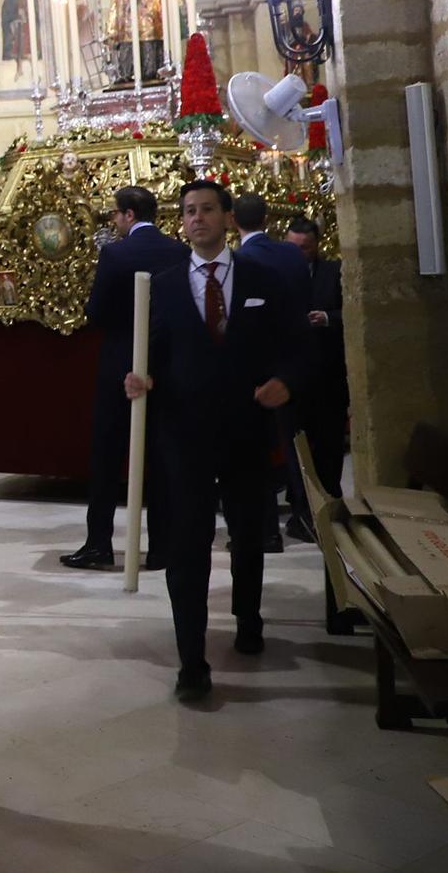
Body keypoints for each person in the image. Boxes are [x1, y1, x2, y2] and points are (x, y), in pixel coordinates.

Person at [124, 182, 306, 702]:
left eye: (207, 210)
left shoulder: (262, 279)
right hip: (184, 435)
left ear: (227, 217)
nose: (197, 219)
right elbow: (143, 353)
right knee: (187, 546)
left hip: (247, 430)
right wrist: (139, 379)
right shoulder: (158, 285)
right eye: (188, 212)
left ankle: (249, 617)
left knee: (250, 534)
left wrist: (286, 381)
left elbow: (296, 343)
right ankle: (191, 659)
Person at [65, 186, 188, 571]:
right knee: (162, 456)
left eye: (116, 215)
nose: (115, 222)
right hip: (164, 367)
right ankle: (163, 548)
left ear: (129, 215)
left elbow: (97, 311)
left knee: (106, 455)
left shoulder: (116, 253)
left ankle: (99, 544)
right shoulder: (179, 251)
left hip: (120, 364)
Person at [233, 192, 312, 550]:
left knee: (258, 452)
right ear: (268, 219)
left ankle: (265, 529)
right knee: (298, 446)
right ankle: (305, 516)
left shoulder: (241, 260)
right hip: (296, 364)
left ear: (233, 220)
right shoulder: (292, 254)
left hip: (259, 368)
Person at [285, 216, 348, 511]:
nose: (299, 254)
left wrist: (326, 318)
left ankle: (331, 499)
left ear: (316, 246)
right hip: (293, 379)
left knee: (329, 444)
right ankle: (301, 507)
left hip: (327, 375)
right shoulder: (276, 274)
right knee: (296, 446)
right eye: (293, 247)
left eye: (305, 248)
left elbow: (352, 311)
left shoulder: (333, 272)